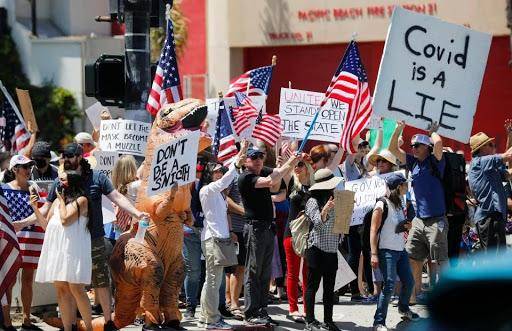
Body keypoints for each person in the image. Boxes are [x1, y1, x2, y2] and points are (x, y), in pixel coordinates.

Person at [14, 143, 148, 331]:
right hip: (69, 242)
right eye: (63, 157)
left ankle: (108, 321)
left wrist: (136, 213)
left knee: (100, 279)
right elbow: (45, 210)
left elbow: (116, 196)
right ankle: (71, 322)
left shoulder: (97, 177)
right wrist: (22, 223)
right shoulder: (59, 182)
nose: (66, 160)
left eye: (69, 156)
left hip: (94, 238)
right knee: (70, 284)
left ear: (79, 156)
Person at [238, 146, 301, 326]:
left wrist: (293, 161)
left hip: (267, 228)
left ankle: (261, 310)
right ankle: (250, 313)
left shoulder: (262, 170)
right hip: (255, 228)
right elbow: (269, 181)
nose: (258, 159)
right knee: (253, 272)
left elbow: (279, 173)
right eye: (253, 157)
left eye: (260, 156)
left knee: (265, 273)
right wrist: (290, 161)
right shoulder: (245, 177)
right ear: (246, 160)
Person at [389, 121, 448, 304]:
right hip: (419, 220)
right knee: (412, 258)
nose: (413, 148)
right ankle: (412, 296)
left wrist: (432, 133)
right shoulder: (413, 162)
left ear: (426, 147)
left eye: (417, 146)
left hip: (436, 219)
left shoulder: (435, 161)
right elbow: (392, 149)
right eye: (412, 145)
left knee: (439, 260)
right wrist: (399, 128)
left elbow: (438, 144)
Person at [34, 171, 93, 331]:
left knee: (76, 288)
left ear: (73, 182)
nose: (59, 184)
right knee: (60, 289)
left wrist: (60, 200)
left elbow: (66, 220)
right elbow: (46, 226)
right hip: (57, 249)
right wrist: (35, 208)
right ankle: (68, 328)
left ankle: (89, 328)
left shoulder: (82, 200)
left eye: (63, 180)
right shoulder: (56, 203)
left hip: (74, 248)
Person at [198, 141, 247, 330]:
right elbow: (225, 181)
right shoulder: (207, 190)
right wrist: (238, 159)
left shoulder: (217, 193)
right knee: (213, 280)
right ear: (210, 175)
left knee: (211, 280)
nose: (220, 172)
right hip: (213, 240)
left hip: (218, 239)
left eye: (221, 170)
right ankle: (212, 320)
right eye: (217, 170)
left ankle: (206, 316)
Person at [370, 173, 419, 331]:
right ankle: (379, 322)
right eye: (405, 185)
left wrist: (406, 226)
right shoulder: (381, 204)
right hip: (387, 251)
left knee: (409, 281)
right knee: (389, 285)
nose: (407, 187)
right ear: (398, 187)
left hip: (400, 250)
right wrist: (374, 253)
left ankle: (403, 308)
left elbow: (397, 226)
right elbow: (373, 230)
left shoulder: (399, 203)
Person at [1, 155, 43, 331]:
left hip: (32, 236)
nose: (28, 170)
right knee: (9, 279)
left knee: (27, 280)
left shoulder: (34, 188)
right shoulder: (3, 189)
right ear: (15, 170)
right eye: (24, 167)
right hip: (10, 238)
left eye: (29, 167)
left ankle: (26, 320)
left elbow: (41, 213)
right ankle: (7, 321)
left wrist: (23, 222)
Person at [304, 169, 342, 331]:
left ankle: (328, 320)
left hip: (332, 249)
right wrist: (325, 209)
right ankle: (310, 320)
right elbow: (317, 223)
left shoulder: (337, 199)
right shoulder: (312, 201)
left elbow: (342, 226)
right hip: (316, 248)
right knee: (312, 286)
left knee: (329, 288)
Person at [468, 131, 512, 252]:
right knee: (494, 261)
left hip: (491, 218)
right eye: (490, 145)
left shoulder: (486, 166)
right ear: (482, 147)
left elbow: (508, 172)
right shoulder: (481, 162)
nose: (494, 147)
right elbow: (507, 156)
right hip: (490, 218)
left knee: (495, 260)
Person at [285, 156, 314, 323]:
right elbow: (283, 171)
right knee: (293, 272)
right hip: (292, 233)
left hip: (309, 234)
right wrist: (293, 159)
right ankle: (292, 308)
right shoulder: (291, 183)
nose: (297, 167)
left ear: (308, 166)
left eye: (300, 165)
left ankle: (306, 309)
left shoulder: (315, 186)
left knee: (307, 273)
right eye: (295, 165)